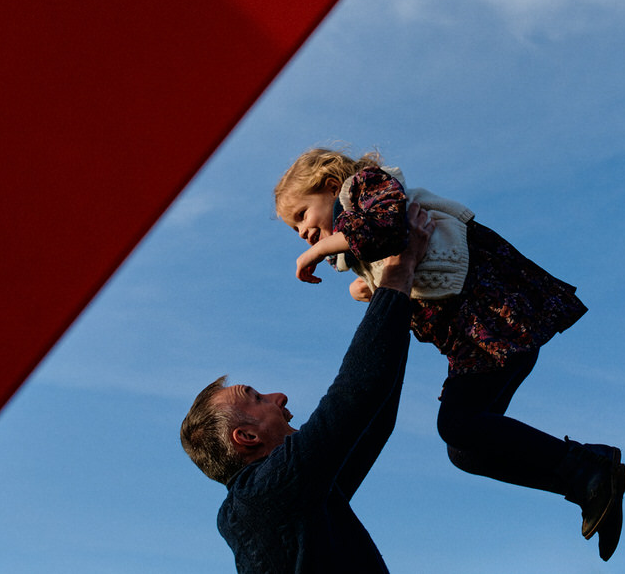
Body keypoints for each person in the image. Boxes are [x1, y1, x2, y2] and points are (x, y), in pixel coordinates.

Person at [274, 147, 625, 562]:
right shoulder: (355, 240)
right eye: (293, 228)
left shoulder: (366, 187)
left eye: (301, 215)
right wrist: (366, 286)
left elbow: (386, 227)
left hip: (495, 320)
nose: (301, 231)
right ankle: (585, 476)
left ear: (331, 187)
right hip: (474, 345)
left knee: (458, 424)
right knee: (465, 449)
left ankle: (589, 470)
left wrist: (314, 253)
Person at [179, 202, 435, 574]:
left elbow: (371, 418)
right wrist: (399, 269)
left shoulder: (297, 499)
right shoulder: (266, 494)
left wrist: (398, 292)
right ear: (246, 436)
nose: (279, 397)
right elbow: (356, 394)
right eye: (257, 398)